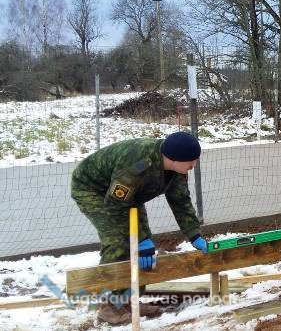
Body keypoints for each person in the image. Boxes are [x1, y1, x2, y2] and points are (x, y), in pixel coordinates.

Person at [70, 131, 208, 324]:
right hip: (93, 190)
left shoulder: (177, 171)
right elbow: (115, 205)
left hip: (127, 195)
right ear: (174, 158)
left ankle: (127, 301)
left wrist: (194, 234)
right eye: (191, 161)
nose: (193, 165)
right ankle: (109, 307)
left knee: (144, 245)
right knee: (118, 241)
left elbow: (180, 201)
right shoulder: (138, 164)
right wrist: (140, 239)